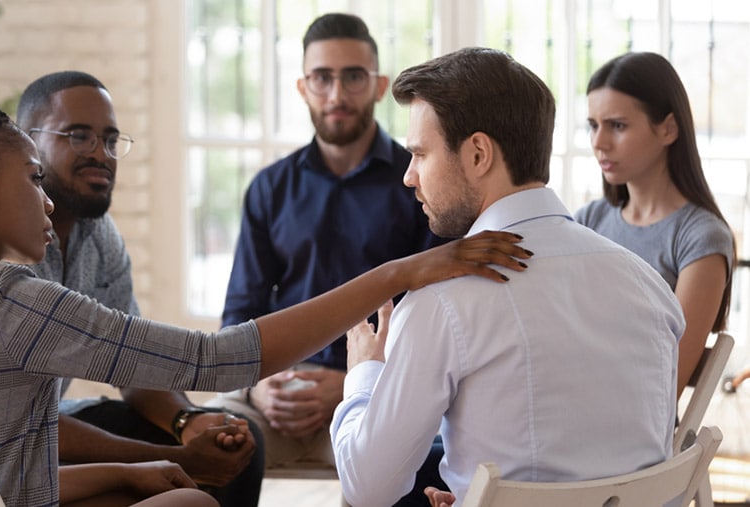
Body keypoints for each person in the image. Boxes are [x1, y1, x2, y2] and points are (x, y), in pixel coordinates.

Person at [0, 74, 530, 507]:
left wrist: (146, 465)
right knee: (193, 506)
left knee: (163, 488)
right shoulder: (8, 299)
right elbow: (218, 356)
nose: (44, 200)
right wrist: (404, 271)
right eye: (30, 177)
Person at [329, 47, 685, 506]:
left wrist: (364, 375)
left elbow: (366, 490)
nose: (409, 177)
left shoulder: (443, 304)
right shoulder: (650, 287)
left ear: (478, 154)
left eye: (419, 154)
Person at [207, 13, 448, 501]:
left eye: (353, 77)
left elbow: (437, 310)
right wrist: (258, 385)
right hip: (278, 390)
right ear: (303, 87)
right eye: (322, 77)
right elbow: (240, 312)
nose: (337, 95)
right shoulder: (270, 188)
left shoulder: (419, 180)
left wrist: (351, 381)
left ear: (379, 85)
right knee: (207, 443)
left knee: (436, 459)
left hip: (381, 387)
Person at [15, 70, 264, 507]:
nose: (100, 153)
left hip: (52, 428)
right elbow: (22, 427)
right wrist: (173, 457)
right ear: (26, 142)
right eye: (78, 136)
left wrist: (187, 422)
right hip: (9, 453)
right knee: (192, 475)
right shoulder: (4, 245)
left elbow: (132, 365)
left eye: (110, 140)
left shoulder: (100, 234)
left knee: (235, 445)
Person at [574, 51, 734, 397]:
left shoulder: (699, 238)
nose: (598, 143)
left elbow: (666, 386)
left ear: (668, 129)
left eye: (617, 125)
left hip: (630, 437)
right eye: (593, 125)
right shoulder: (588, 220)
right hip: (567, 410)